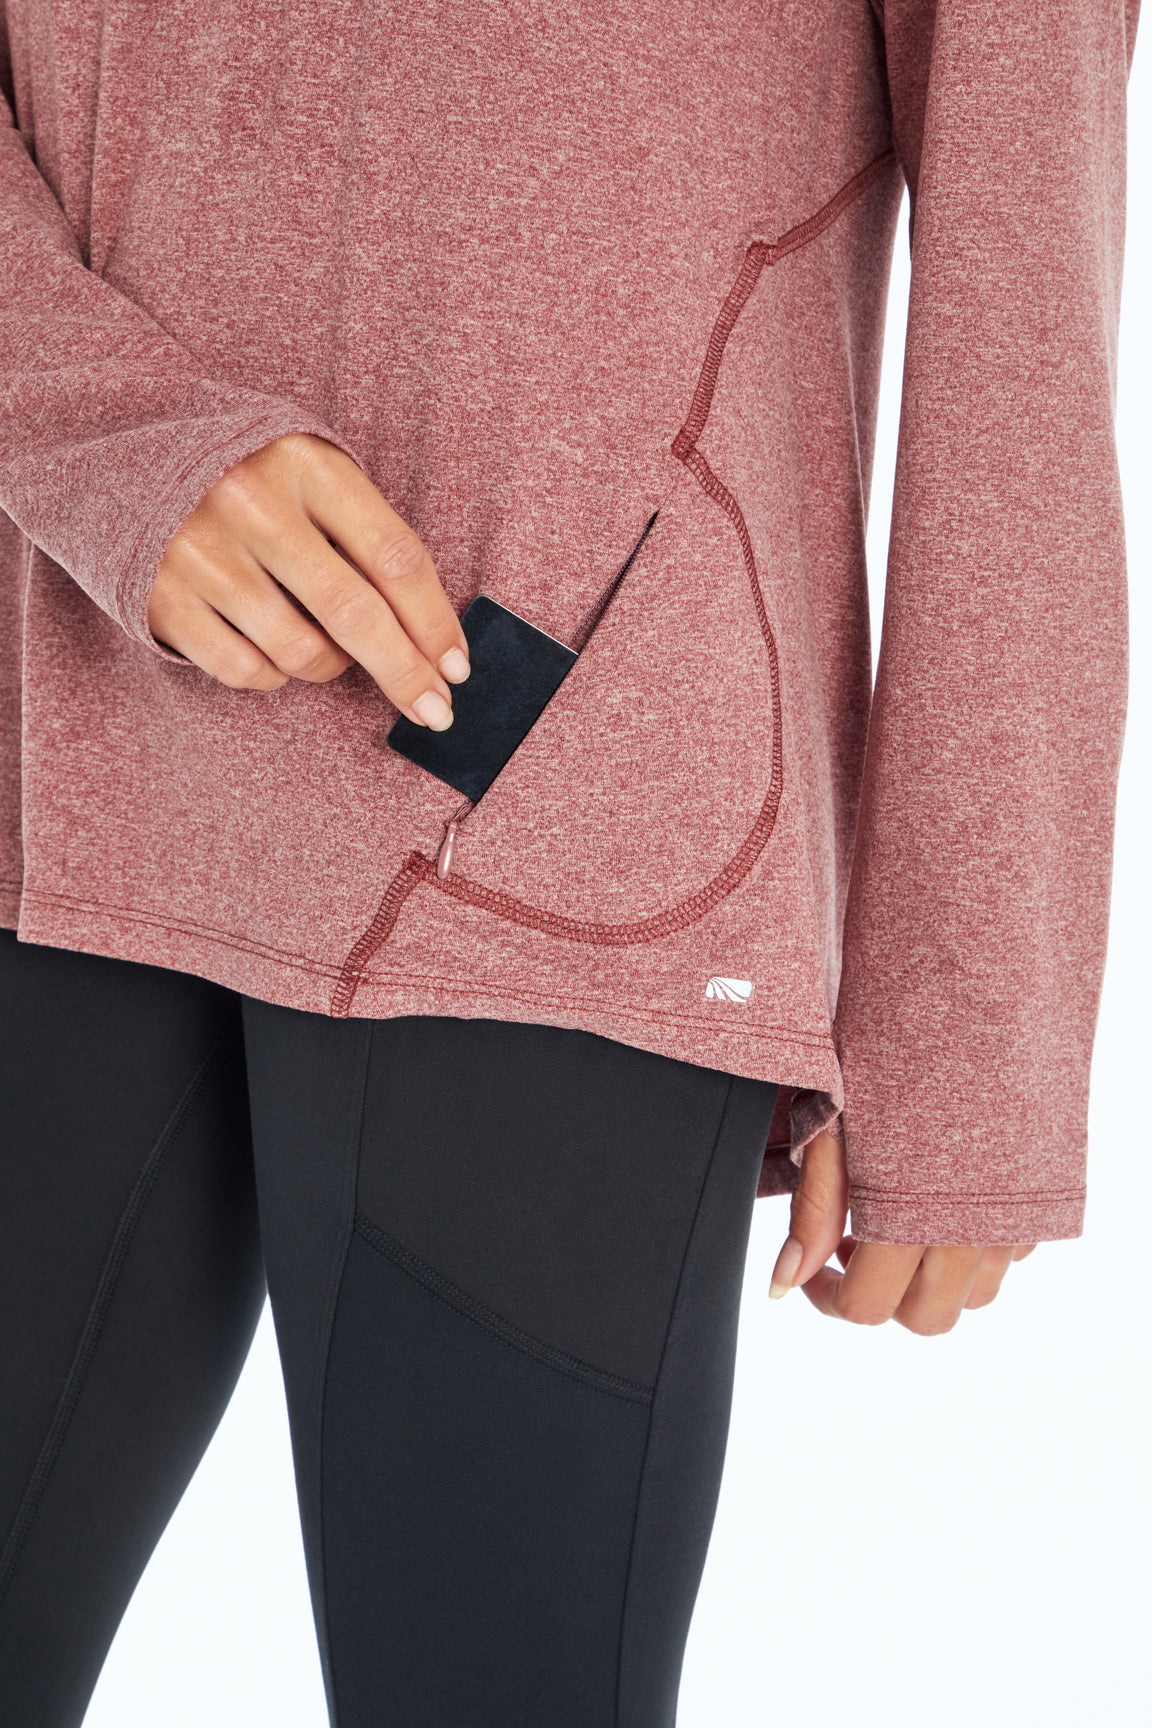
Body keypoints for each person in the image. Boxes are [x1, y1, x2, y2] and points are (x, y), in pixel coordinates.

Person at [0, 1, 1138, 1724]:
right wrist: (89, 419)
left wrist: (969, 1037)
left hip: (549, 807)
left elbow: (1022, 313)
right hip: (43, 699)